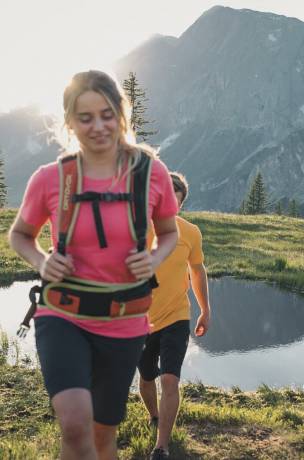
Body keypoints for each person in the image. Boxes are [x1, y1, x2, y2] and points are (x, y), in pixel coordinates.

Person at [8, 70, 179, 460]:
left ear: (121, 114)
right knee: (73, 425)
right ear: (69, 122)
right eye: (85, 118)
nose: (98, 126)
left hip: (125, 321)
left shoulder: (152, 176)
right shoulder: (51, 179)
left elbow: (169, 232)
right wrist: (41, 259)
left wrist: (153, 257)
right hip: (62, 314)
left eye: (106, 114)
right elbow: (19, 235)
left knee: (103, 437)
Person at [138, 172, 211, 460]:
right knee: (146, 378)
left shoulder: (190, 232)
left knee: (169, 380)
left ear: (180, 205)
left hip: (176, 318)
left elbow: (197, 271)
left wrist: (206, 310)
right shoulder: (136, 229)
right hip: (139, 320)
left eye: (174, 202)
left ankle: (162, 447)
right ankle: (155, 416)